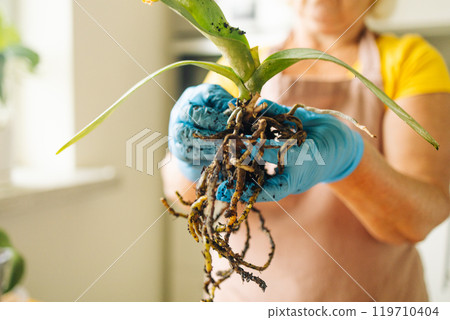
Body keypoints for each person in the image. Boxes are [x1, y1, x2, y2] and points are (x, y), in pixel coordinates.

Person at [161, 0, 450, 301]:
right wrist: (189, 161)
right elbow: (182, 193)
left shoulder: (410, 59)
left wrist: (352, 160)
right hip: (244, 299)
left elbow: (419, 219)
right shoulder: (242, 63)